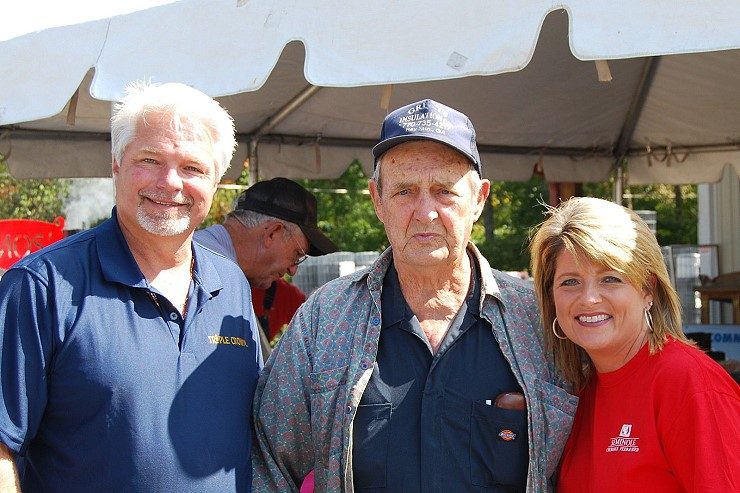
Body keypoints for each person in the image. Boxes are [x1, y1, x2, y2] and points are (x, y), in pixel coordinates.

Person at [252, 99, 577, 492]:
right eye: (405, 191)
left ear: (479, 200)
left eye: (444, 191)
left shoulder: (539, 321)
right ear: (377, 201)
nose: (425, 212)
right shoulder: (325, 319)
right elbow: (269, 464)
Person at [0, 81, 263, 491]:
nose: (170, 182)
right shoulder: (41, 287)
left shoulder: (230, 284)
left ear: (216, 183)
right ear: (117, 165)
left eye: (193, 168)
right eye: (150, 159)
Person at [529, 196, 740, 492]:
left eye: (610, 279)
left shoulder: (689, 383)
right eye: (570, 282)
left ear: (647, 290)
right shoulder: (578, 392)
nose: (589, 298)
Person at [195, 177, 337, 351]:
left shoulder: (218, 264)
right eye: (297, 254)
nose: (293, 270)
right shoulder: (201, 267)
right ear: (272, 233)